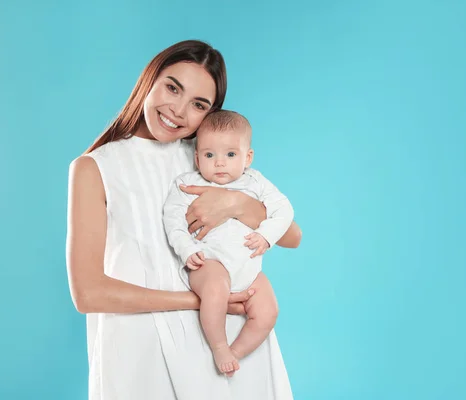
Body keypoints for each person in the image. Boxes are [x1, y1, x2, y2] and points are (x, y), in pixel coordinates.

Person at [66, 40, 302, 399]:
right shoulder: (95, 167)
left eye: (198, 105)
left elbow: (292, 235)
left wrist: (235, 203)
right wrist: (207, 299)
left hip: (230, 354)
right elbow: (88, 294)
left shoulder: (208, 158)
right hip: (142, 352)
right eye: (172, 87)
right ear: (150, 78)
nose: (177, 110)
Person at [163, 110, 294, 376]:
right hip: (209, 261)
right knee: (215, 288)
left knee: (268, 311)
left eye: (230, 155)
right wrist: (187, 250)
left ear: (248, 157)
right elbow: (172, 219)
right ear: (197, 157)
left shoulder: (256, 182)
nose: (219, 163)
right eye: (210, 155)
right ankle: (220, 345)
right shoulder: (188, 183)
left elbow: (284, 210)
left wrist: (267, 235)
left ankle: (237, 352)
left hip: (249, 270)